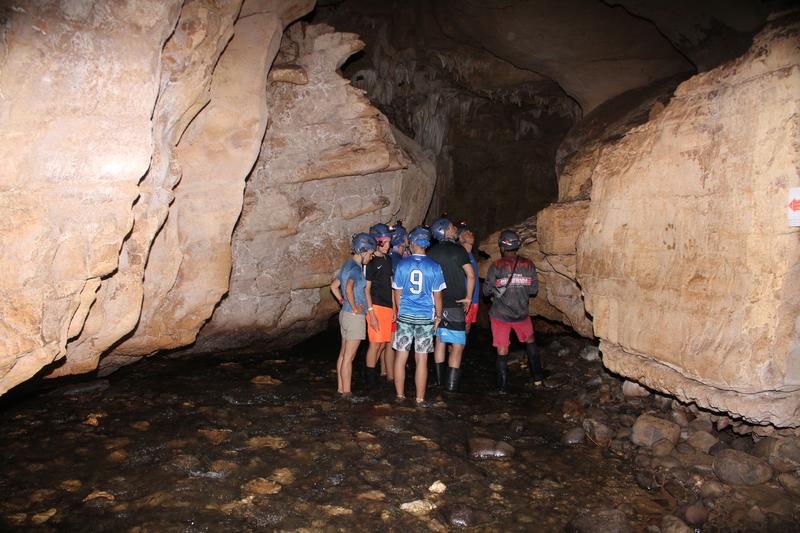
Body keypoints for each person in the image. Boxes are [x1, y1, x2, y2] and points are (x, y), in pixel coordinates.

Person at [482, 229, 544, 393]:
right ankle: (538, 378)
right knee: (530, 341)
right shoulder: (528, 264)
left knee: (502, 349)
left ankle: (502, 388)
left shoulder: (496, 266)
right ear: (517, 246)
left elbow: (486, 292)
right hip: (521, 314)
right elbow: (533, 290)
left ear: (502, 247)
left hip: (500, 315)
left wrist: (499, 287)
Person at [392, 226, 445, 406]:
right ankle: (420, 398)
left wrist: (401, 312)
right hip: (425, 318)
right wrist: (438, 317)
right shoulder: (435, 267)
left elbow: (397, 292)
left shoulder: (402, 264)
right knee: (422, 358)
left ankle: (400, 396)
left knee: (401, 356)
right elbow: (438, 296)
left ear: (413, 243)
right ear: (426, 244)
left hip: (405, 315)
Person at [426, 217, 474, 392]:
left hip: (435, 304)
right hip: (455, 303)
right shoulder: (459, 251)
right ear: (444, 230)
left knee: (440, 341)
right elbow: (470, 275)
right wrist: (468, 297)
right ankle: (451, 388)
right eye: (452, 227)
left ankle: (439, 382)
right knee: (457, 345)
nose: (455, 229)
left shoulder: (430, 253)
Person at [330, 232, 376, 397]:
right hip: (354, 317)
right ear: (363, 251)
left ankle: (341, 388)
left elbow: (334, 286)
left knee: (343, 354)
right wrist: (355, 307)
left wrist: (343, 301)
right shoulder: (356, 269)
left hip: (344, 315)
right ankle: (347, 393)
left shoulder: (347, 264)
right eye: (371, 254)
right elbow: (349, 287)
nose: (371, 257)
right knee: (349, 357)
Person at [364, 223, 395, 386]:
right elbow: (366, 289)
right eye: (387, 242)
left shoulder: (388, 259)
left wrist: (394, 308)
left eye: (390, 242)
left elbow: (390, 284)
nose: (389, 246)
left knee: (383, 344)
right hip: (375, 306)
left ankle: (371, 374)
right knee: (375, 344)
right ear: (377, 241)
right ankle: (369, 380)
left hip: (387, 307)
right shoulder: (370, 261)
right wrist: (371, 313)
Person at [457, 222, 480, 335]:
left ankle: (457, 353)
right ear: (460, 238)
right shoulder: (460, 255)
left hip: (472, 300)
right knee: (459, 334)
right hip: (465, 300)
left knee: (465, 332)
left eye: (470, 231)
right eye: (466, 233)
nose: (470, 233)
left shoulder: (470, 255)